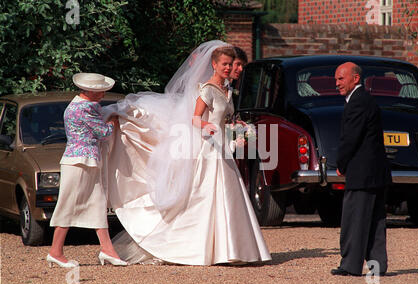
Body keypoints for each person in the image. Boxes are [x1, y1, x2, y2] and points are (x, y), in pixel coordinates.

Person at [102, 40, 271, 266]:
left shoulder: (227, 90)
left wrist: (237, 126)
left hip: (222, 147)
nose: (229, 68)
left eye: (231, 64)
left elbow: (224, 117)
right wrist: (207, 127)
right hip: (210, 147)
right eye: (225, 64)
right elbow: (195, 118)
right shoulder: (207, 90)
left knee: (227, 195)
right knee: (206, 194)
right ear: (214, 64)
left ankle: (229, 248)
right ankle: (196, 248)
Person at [47, 73, 127, 268]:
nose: (102, 95)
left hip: (84, 159)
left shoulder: (76, 105)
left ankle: (107, 249)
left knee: (97, 202)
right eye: (99, 91)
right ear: (90, 91)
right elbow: (103, 132)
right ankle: (55, 251)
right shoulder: (86, 108)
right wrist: (113, 121)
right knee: (68, 204)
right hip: (79, 161)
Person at [332, 62, 391, 276]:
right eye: (336, 79)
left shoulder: (357, 102)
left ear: (355, 78)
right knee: (375, 222)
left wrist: (341, 164)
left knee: (355, 219)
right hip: (376, 173)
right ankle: (377, 267)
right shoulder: (365, 100)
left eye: (341, 78)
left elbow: (351, 137)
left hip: (362, 172)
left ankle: (350, 265)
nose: (337, 83)